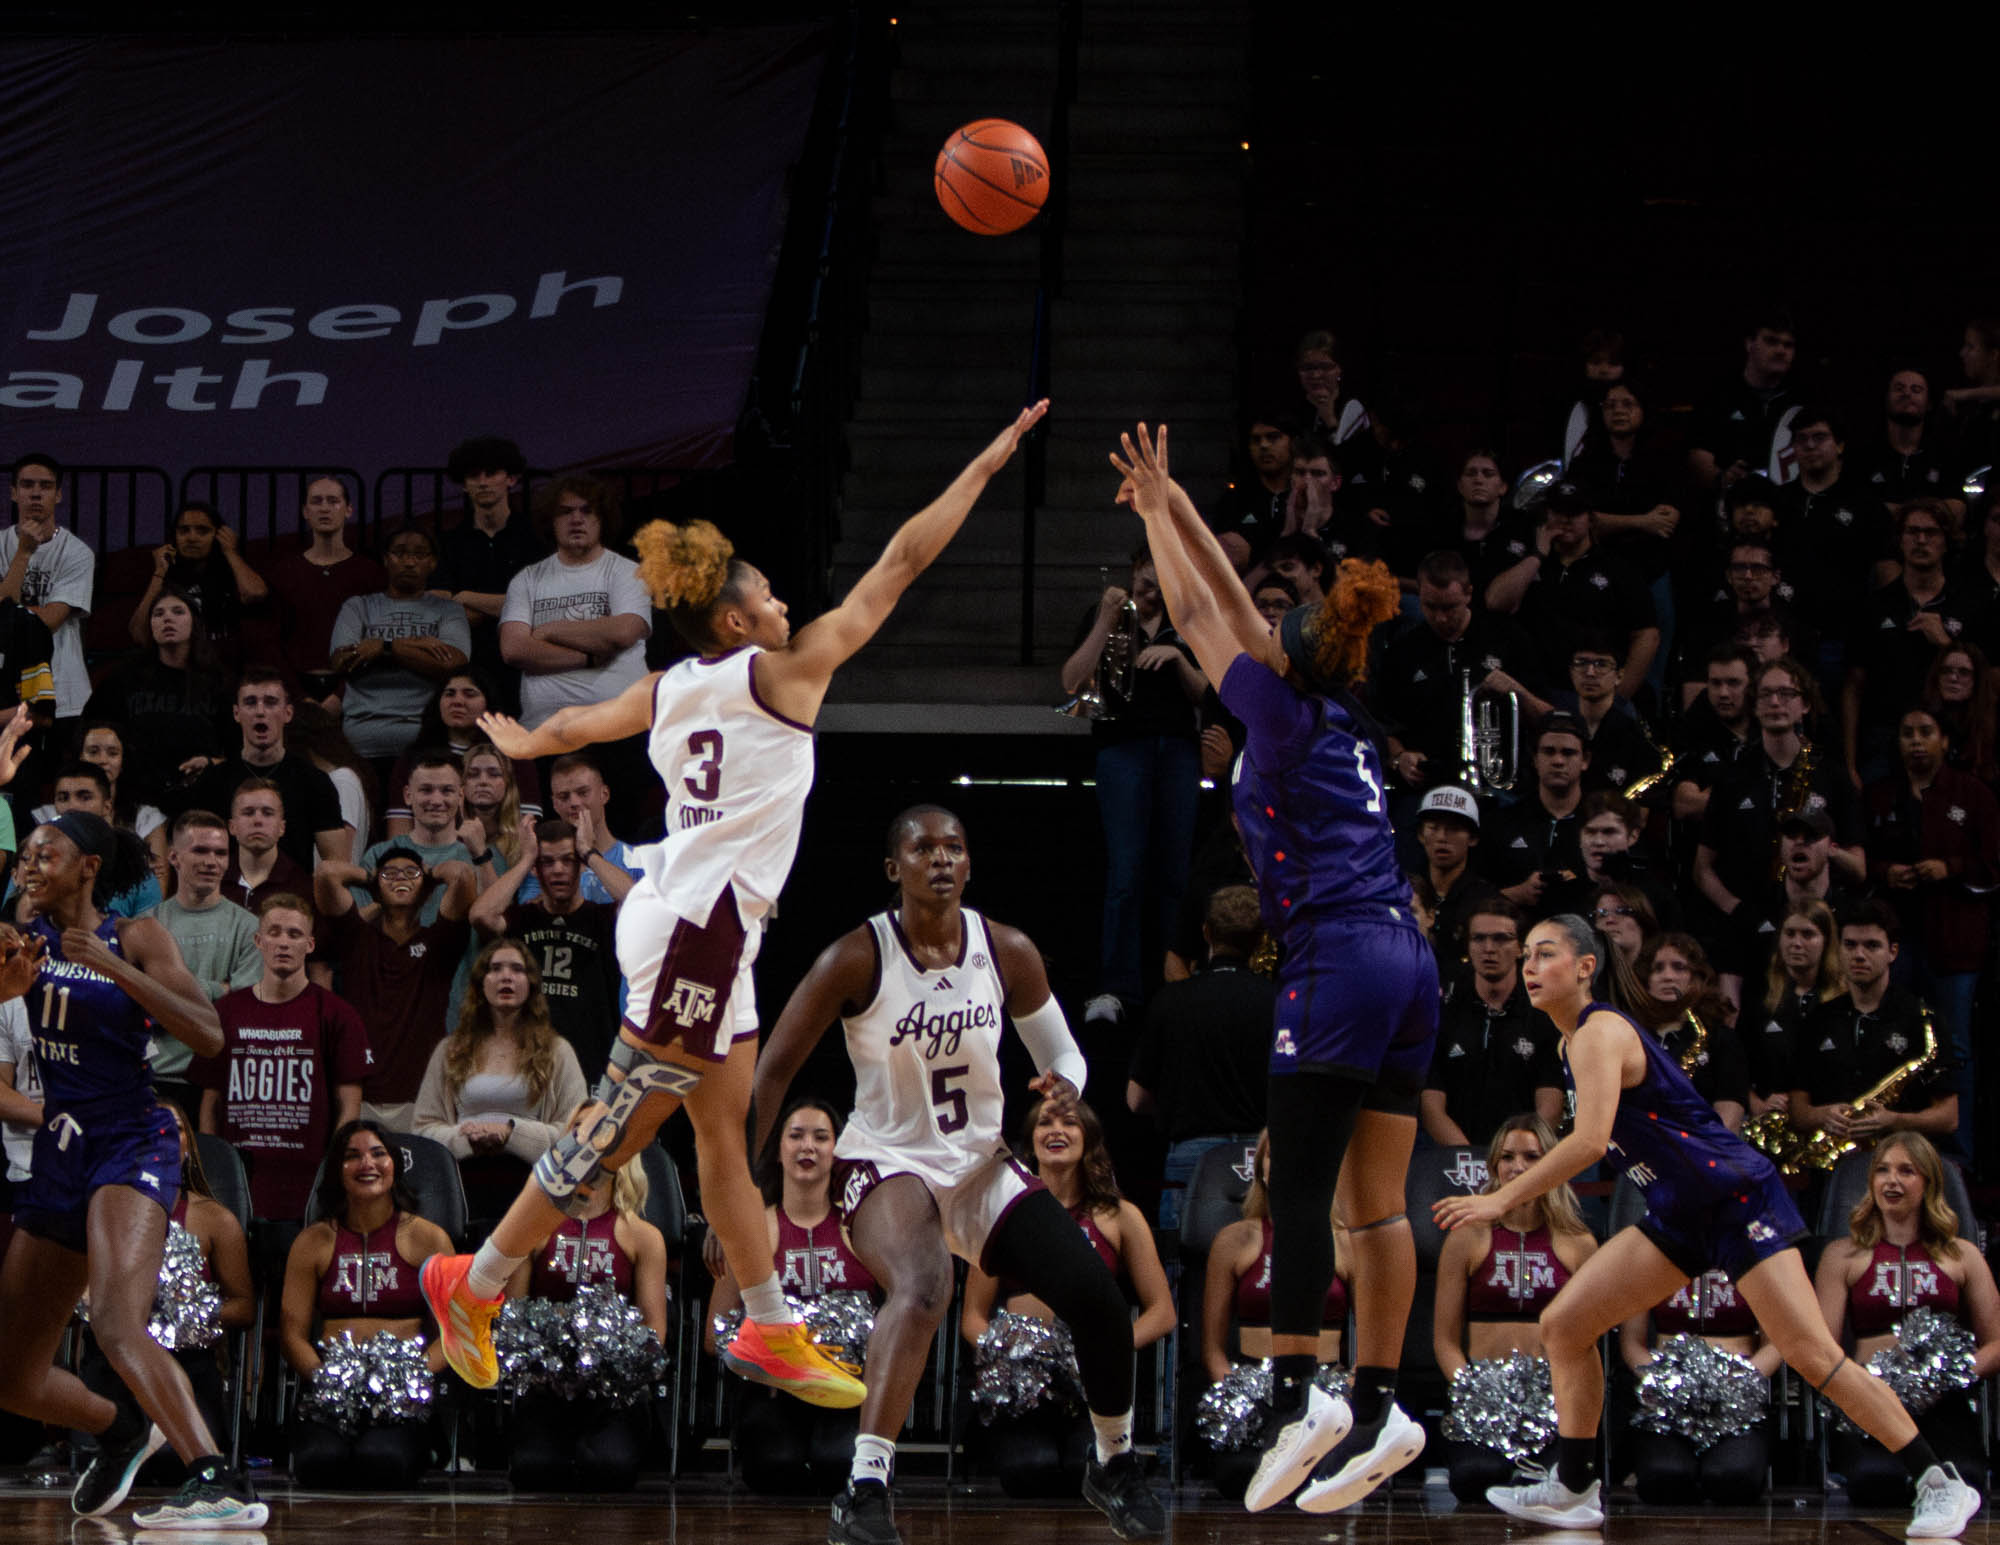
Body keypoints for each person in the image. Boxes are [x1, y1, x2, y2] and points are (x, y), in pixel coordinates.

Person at [421, 404, 1048, 1438]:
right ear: (736, 621)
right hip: (696, 936)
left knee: (720, 1126)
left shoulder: (671, 686)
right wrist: (985, 458)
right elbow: (897, 563)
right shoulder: (785, 677)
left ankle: (762, 1322)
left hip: (712, 931)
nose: (785, 601)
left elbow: (581, 720)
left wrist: (530, 747)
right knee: (620, 1127)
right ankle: (474, 1276)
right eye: (766, 595)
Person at [1108, 422, 1436, 1515]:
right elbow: (1229, 607)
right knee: (1377, 1207)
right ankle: (1381, 1400)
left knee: (1295, 1185)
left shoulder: (1279, 715)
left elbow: (1202, 612)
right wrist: (1168, 503)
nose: (1251, 632)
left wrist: (1161, 516)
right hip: (1406, 956)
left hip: (1336, 955)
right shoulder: (1342, 708)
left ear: (1280, 653)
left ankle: (1302, 1387)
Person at [1432, 912, 1980, 1537]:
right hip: (1679, 1211)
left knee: (1810, 1354)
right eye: (1525, 954)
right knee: (1565, 1325)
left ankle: (1940, 1482)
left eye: (1544, 953)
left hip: (1734, 1199)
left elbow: (1587, 1142)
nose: (1529, 965)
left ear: (1586, 968)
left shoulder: (1598, 1031)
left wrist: (1499, 1201)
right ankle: (1576, 1487)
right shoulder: (1567, 1043)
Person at [750, 802, 1164, 1542]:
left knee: (1097, 1297)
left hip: (979, 1161)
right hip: (883, 1156)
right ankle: (866, 1485)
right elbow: (773, 1071)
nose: (940, 858)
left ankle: (1114, 1461)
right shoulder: (857, 955)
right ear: (894, 867)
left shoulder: (1006, 949)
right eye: (922, 847)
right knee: (926, 1283)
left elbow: (1063, 1053)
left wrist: (1065, 1083)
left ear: (969, 863)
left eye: (954, 847)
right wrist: (749, 1192)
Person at [0, 803, 268, 1527]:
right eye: (24, 852)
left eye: (45, 852)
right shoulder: (18, 938)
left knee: (118, 1323)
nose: (30, 864)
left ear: (88, 867)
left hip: (129, 1137)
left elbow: (209, 1034)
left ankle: (218, 1479)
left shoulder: (137, 933)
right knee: (12, 1375)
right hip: (60, 1147)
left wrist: (113, 966)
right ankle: (120, 1429)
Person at [961, 1097, 1176, 1500]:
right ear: (1030, 1142)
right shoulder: (1000, 1213)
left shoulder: (1119, 1216)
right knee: (1029, 1471)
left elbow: (1162, 1312)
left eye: (1070, 1123)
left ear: (1088, 1139)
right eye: (1045, 1123)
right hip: (1024, 1386)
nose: (1056, 1130)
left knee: (1083, 1469)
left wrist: (1101, 1352)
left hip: (1090, 1386)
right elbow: (972, 1316)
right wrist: (1009, 1356)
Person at [706, 1095, 882, 1497]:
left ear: (838, 1151)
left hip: (845, 1390)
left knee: (838, 1467)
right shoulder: (753, 1229)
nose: (808, 1147)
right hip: (773, 1391)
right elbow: (714, 1335)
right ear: (778, 1150)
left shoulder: (861, 1227)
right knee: (774, 1469)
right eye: (796, 1136)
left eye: (821, 1137)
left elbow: (893, 1318)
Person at [76, 1099, 256, 1486]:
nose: (161, 1137)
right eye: (145, 1128)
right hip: (113, 1361)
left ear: (188, 1144)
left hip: (188, 1361)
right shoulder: (98, 1212)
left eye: (172, 1128)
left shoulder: (216, 1219)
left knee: (173, 1463)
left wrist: (188, 1314)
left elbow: (244, 1308)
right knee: (114, 1450)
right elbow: (80, 1287)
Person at [1814, 1133, 2000, 1504]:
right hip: (1871, 1400)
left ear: (1928, 1182)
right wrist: (1861, 1386)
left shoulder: (1961, 1255)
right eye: (1882, 1171)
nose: (1891, 1180)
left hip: (1943, 1399)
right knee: (1874, 1483)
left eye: (1906, 1171)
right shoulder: (1842, 1255)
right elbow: (1821, 1347)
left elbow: (1996, 1342)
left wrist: (1948, 1377)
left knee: (1966, 1482)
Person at [1059, 542, 1203, 1017]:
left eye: (1162, 578)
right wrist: (1104, 618)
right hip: (1122, 749)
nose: (1152, 587)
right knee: (1126, 871)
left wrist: (1177, 658)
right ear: (1134, 573)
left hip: (1178, 750)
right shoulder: (1110, 616)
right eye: (1146, 576)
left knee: (1174, 872)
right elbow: (1071, 682)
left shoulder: (1188, 621)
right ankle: (1118, 987)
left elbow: (1209, 691)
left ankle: (1173, 984)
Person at [1433, 1115, 1596, 1503]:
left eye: (1531, 1157)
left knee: (1545, 1485)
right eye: (1507, 1157)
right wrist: (1474, 1391)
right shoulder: (1466, 1237)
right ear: (1493, 1166)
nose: (1517, 1167)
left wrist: (1561, 1399)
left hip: (1552, 1403)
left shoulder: (1579, 1243)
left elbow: (1589, 1342)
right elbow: (1444, 1341)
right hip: (1481, 1397)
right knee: (1476, 1480)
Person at [280, 1120, 451, 1489]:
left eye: (378, 1154)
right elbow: (292, 1334)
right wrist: (327, 1380)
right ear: (336, 1172)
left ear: (394, 1166)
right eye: (352, 1156)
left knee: (382, 1462)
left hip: (402, 1392)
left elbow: (452, 1336)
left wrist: (409, 1378)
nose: (366, 1164)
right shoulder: (314, 1241)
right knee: (319, 1464)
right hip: (332, 1391)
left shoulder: (428, 1239)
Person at [1861, 704, 1997, 1157]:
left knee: (1954, 1047)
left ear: (1944, 740)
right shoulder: (1881, 795)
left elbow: (1993, 865)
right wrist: (1887, 873)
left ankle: (1958, 1152)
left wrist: (1950, 867)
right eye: (1906, 733)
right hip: (1897, 943)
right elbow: (1862, 863)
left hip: (1954, 945)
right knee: (1895, 1042)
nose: (1915, 741)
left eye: (1925, 732)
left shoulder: (1972, 794)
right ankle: (1890, 1146)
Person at [506, 1131, 666, 1492]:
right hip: (545, 1388)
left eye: (604, 1138)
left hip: (612, 1394)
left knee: (609, 1469)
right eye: (581, 1137)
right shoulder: (532, 1229)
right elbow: (512, 1318)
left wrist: (614, 1363)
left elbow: (655, 1330)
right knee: (536, 1472)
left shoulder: (643, 1236)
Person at [197, 894, 368, 1223]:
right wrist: (212, 1166)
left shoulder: (337, 1014)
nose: (283, 943)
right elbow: (210, 1102)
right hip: (237, 1179)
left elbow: (350, 1105)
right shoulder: (227, 1011)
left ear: (310, 944)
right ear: (258, 941)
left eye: (294, 934)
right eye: (274, 932)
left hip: (308, 1182)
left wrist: (332, 1170)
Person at [1198, 1130, 1348, 1500]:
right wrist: (1234, 1391)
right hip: (1251, 1385)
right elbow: (1213, 1347)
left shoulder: (1346, 1242)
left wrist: (1352, 1386)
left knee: (1322, 1476)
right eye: (1275, 1155)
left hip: (1324, 1389)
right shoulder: (1234, 1239)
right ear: (1260, 1168)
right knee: (1238, 1476)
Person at [1126, 883, 1274, 1230]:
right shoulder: (1281, 1001)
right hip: (1264, 1158)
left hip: (1192, 1156)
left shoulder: (1171, 1001)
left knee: (1183, 1270)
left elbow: (1135, 1100)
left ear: (1206, 932)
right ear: (1261, 939)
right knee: (1261, 1271)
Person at [414, 937, 587, 1231]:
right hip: (461, 1188)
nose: (506, 976)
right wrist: (466, 1137)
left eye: (517, 969)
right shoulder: (450, 1050)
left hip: (534, 1188)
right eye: (495, 969)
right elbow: (422, 1131)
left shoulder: (558, 1052)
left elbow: (579, 1134)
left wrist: (511, 1133)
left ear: (531, 983)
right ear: (481, 983)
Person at [312, 842, 477, 1128]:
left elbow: (462, 875)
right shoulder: (356, 938)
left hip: (423, 1097)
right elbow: (326, 873)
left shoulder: (439, 942)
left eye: (410, 873)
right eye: (391, 873)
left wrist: (429, 874)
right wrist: (372, 878)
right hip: (358, 1096)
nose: (401, 878)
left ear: (425, 889)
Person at [1786, 903, 1958, 1159]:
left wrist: (1894, 1121)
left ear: (1893, 951)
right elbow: (1798, 1110)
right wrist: (1822, 1115)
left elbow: (1949, 1117)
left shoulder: (1922, 1020)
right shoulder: (1818, 1019)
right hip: (1833, 1162)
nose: (1859, 955)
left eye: (1871, 946)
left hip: (1904, 1158)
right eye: (1850, 945)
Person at [469, 815, 625, 1074]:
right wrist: (527, 859)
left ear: (581, 865)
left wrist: (589, 853)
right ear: (536, 868)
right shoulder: (523, 918)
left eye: (568, 860)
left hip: (591, 1059)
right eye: (547, 862)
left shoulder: (603, 917)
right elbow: (480, 915)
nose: (558, 869)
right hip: (528, 1060)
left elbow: (638, 902)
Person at [1617, 1261, 1778, 1504]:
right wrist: (1664, 1382)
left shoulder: (1755, 1252)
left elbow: (1776, 1344)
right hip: (1669, 1397)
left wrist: (1738, 1382)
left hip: (1736, 1396)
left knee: (1733, 1479)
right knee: (1665, 1479)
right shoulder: (1649, 1253)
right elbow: (1631, 1343)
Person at [1421, 899, 1563, 1148]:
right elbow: (1431, 1105)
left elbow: (1550, 1105)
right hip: (1454, 1160)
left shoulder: (1543, 1014)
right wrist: (1471, 1161)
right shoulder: (1444, 1012)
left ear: (1521, 948)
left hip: (1524, 1160)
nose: (1489, 948)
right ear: (1468, 945)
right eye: (1479, 938)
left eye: (1501, 939)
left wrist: (1510, 1158)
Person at [327, 524, 472, 767]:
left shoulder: (448, 610)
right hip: (361, 741)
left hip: (427, 741)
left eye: (419, 554)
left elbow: (452, 665)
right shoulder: (359, 607)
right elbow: (342, 661)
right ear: (385, 559)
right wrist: (418, 647)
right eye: (400, 553)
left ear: (433, 562)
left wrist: (385, 647)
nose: (409, 562)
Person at [179, 670, 351, 872]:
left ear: (288, 713)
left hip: (294, 897)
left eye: (270, 702)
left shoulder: (314, 781)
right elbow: (192, 854)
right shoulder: (213, 781)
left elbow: (338, 865)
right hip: (229, 896)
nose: (260, 711)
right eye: (251, 702)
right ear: (237, 713)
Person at [153, 810, 262, 1114]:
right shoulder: (147, 925)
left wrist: (171, 989)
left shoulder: (250, 927)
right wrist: (221, 990)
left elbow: (243, 1010)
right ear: (174, 857)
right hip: (157, 1076)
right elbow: (142, 1004)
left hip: (222, 1080)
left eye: (221, 853)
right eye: (200, 850)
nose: (211, 862)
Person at [84, 586, 231, 806]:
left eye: (178, 612)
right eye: (158, 614)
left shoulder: (218, 682)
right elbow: (89, 729)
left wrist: (213, 763)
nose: (167, 619)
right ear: (150, 626)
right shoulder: (125, 678)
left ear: (195, 623)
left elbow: (238, 751)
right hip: (136, 797)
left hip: (201, 797)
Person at [262, 476, 384, 712]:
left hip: (354, 691)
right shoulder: (284, 573)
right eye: (317, 501)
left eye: (333, 501)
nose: (325, 508)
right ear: (305, 511)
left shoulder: (370, 573)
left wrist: (342, 695)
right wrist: (296, 695)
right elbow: (271, 641)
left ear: (348, 510)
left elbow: (378, 638)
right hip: (296, 691)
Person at [434, 435, 545, 682]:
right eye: (474, 475)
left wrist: (466, 597)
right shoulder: (448, 543)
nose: (483, 482)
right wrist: (513, 607)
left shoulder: (536, 537)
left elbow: (544, 605)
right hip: (469, 667)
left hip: (529, 664)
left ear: (512, 479)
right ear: (464, 484)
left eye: (491, 473)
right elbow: (443, 612)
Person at [1, 452, 95, 719]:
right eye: (27, 485)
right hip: (5, 687)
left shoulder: (78, 553)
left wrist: (9, 613)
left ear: (58, 495)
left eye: (45, 486)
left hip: (63, 690)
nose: (35, 493)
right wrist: (23, 554)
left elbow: (49, 622)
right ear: (13, 493)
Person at [125, 501, 267, 667]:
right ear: (174, 536)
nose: (192, 538)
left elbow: (255, 594)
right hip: (178, 668)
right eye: (184, 530)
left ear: (218, 536)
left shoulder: (230, 572)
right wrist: (160, 572)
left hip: (225, 668)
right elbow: (139, 635)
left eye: (202, 531)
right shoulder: (162, 577)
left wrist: (230, 551)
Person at [1633, 933, 1749, 1132]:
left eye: (1679, 967)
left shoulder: (1721, 1039)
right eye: (1658, 968)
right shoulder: (1628, 1036)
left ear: (1695, 977)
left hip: (1700, 1153)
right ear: (1645, 979)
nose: (1668, 976)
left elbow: (1729, 1118)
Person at [1749, 897, 1846, 1117]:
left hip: (1829, 1119)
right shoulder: (1761, 999)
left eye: (1808, 934)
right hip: (1770, 1118)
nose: (1797, 943)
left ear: (1826, 940)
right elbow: (1737, 1066)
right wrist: (1757, 1102)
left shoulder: (1844, 1002)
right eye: (1790, 933)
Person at [1405, 786, 1497, 978]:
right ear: (1421, 835)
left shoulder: (1486, 901)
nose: (1441, 838)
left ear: (1472, 838)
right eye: (1433, 828)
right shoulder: (1402, 891)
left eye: (1453, 829)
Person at [220, 777, 313, 917]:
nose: (258, 820)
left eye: (267, 813)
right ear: (232, 827)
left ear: (282, 827)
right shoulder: (214, 878)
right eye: (248, 812)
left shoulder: (303, 886)